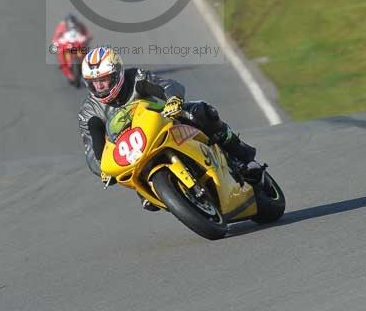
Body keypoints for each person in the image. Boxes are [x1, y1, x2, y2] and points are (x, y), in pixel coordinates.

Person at [78, 46, 264, 211]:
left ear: (117, 74)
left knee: (202, 112)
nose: (99, 86)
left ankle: (243, 157)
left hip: (163, 122)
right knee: (142, 197)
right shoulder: (89, 112)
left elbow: (166, 84)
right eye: (93, 82)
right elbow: (91, 150)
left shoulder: (135, 77)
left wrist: (173, 99)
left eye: (104, 80)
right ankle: (159, 192)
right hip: (133, 154)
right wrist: (102, 169)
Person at [51, 14, 92, 81]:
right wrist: (56, 42)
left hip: (78, 43)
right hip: (66, 44)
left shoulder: (80, 25)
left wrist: (86, 37)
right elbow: (56, 36)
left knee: (88, 52)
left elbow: (87, 33)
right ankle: (66, 69)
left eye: (74, 25)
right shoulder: (61, 26)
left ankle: (89, 68)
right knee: (60, 53)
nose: (72, 26)